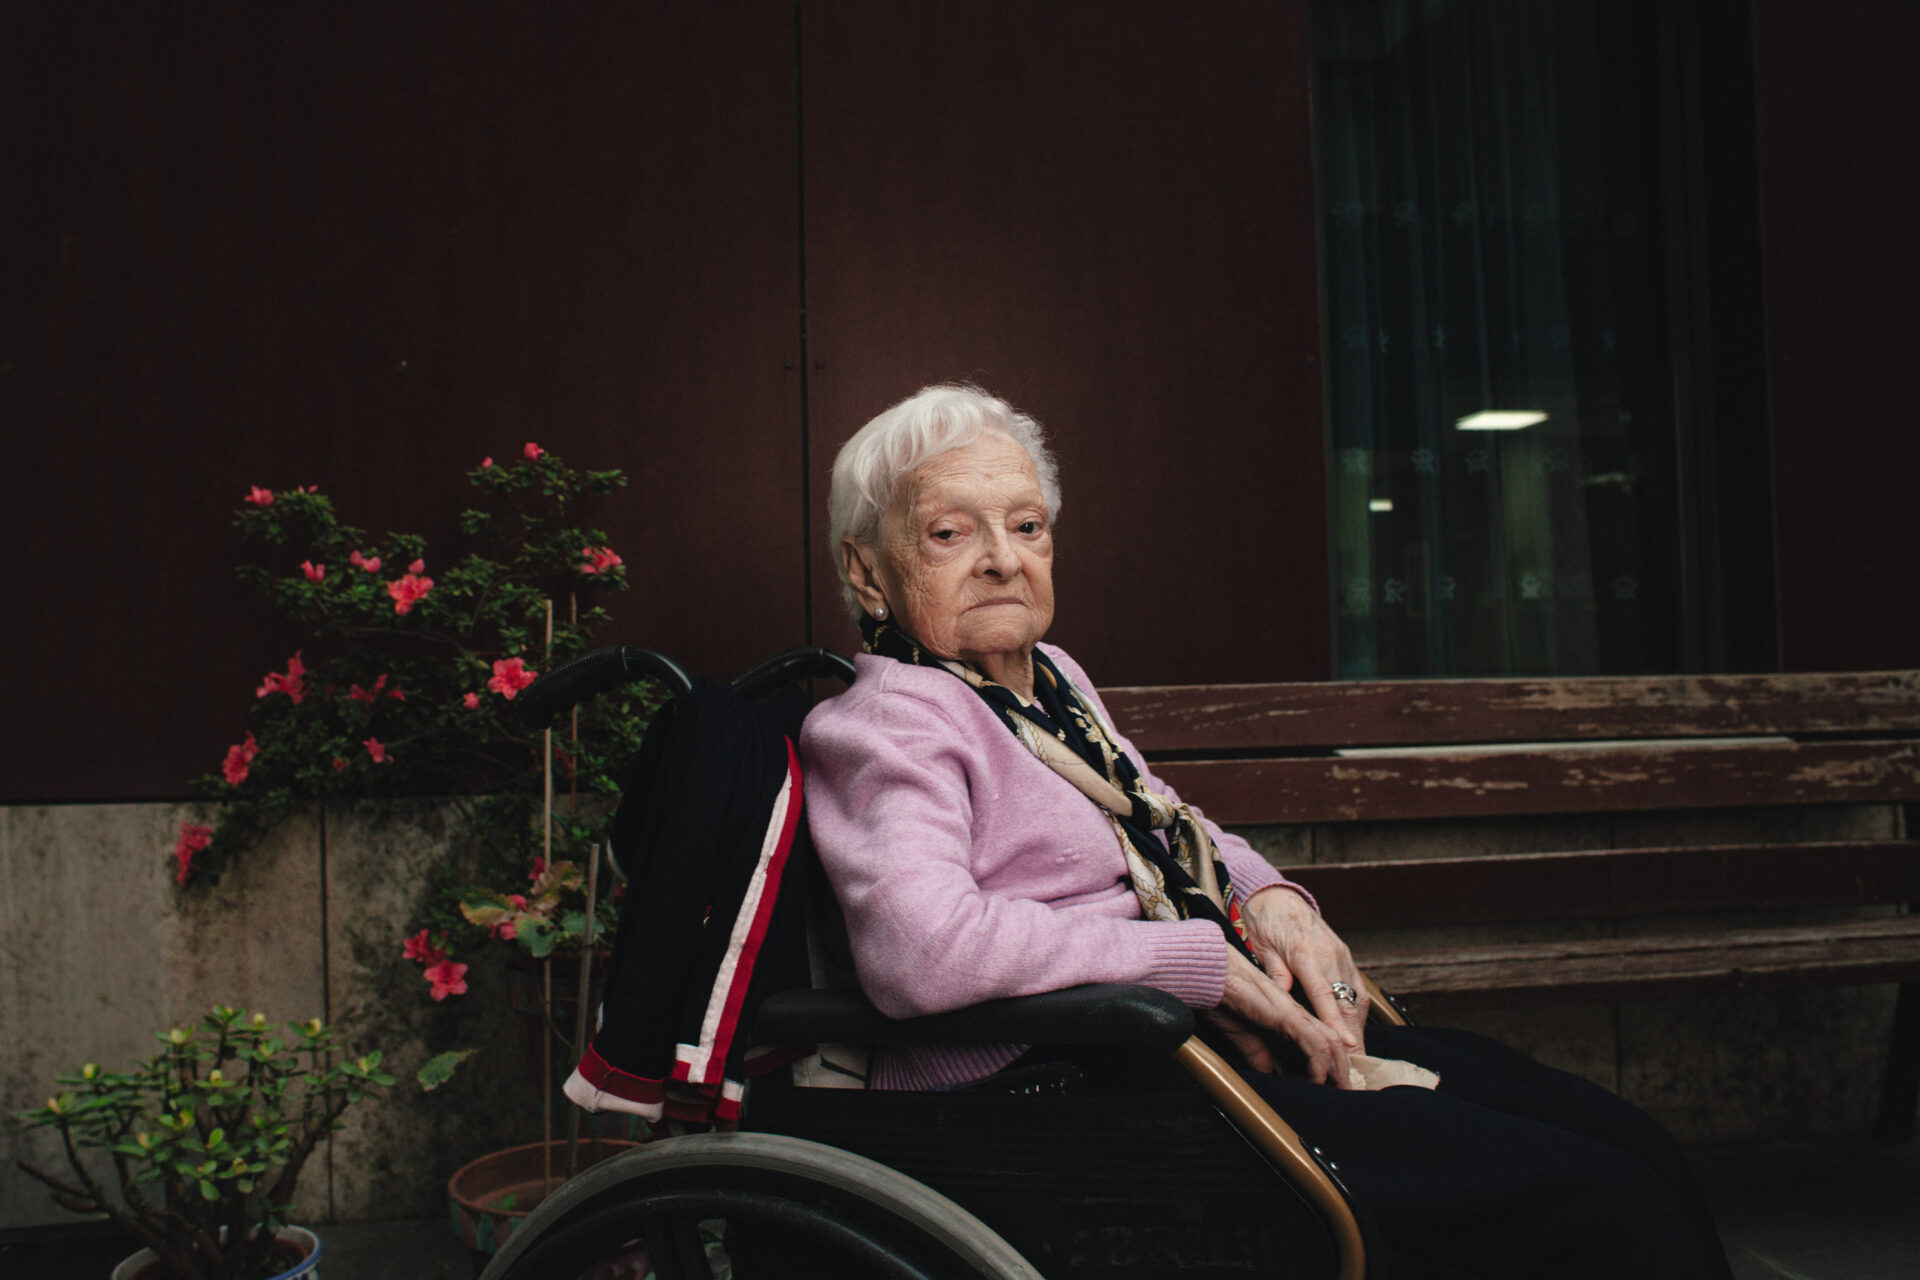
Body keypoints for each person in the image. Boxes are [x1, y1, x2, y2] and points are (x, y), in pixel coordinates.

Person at [800, 383, 1734, 1280]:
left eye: (1027, 525)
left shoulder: (1049, 680)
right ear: (867, 570)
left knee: (1628, 1141)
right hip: (1056, 1091)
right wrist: (1194, 963)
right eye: (950, 532)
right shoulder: (891, 722)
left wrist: (1274, 901)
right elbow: (920, 949)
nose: (1003, 559)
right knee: (1600, 1200)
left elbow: (1160, 817)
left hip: (1170, 1050)